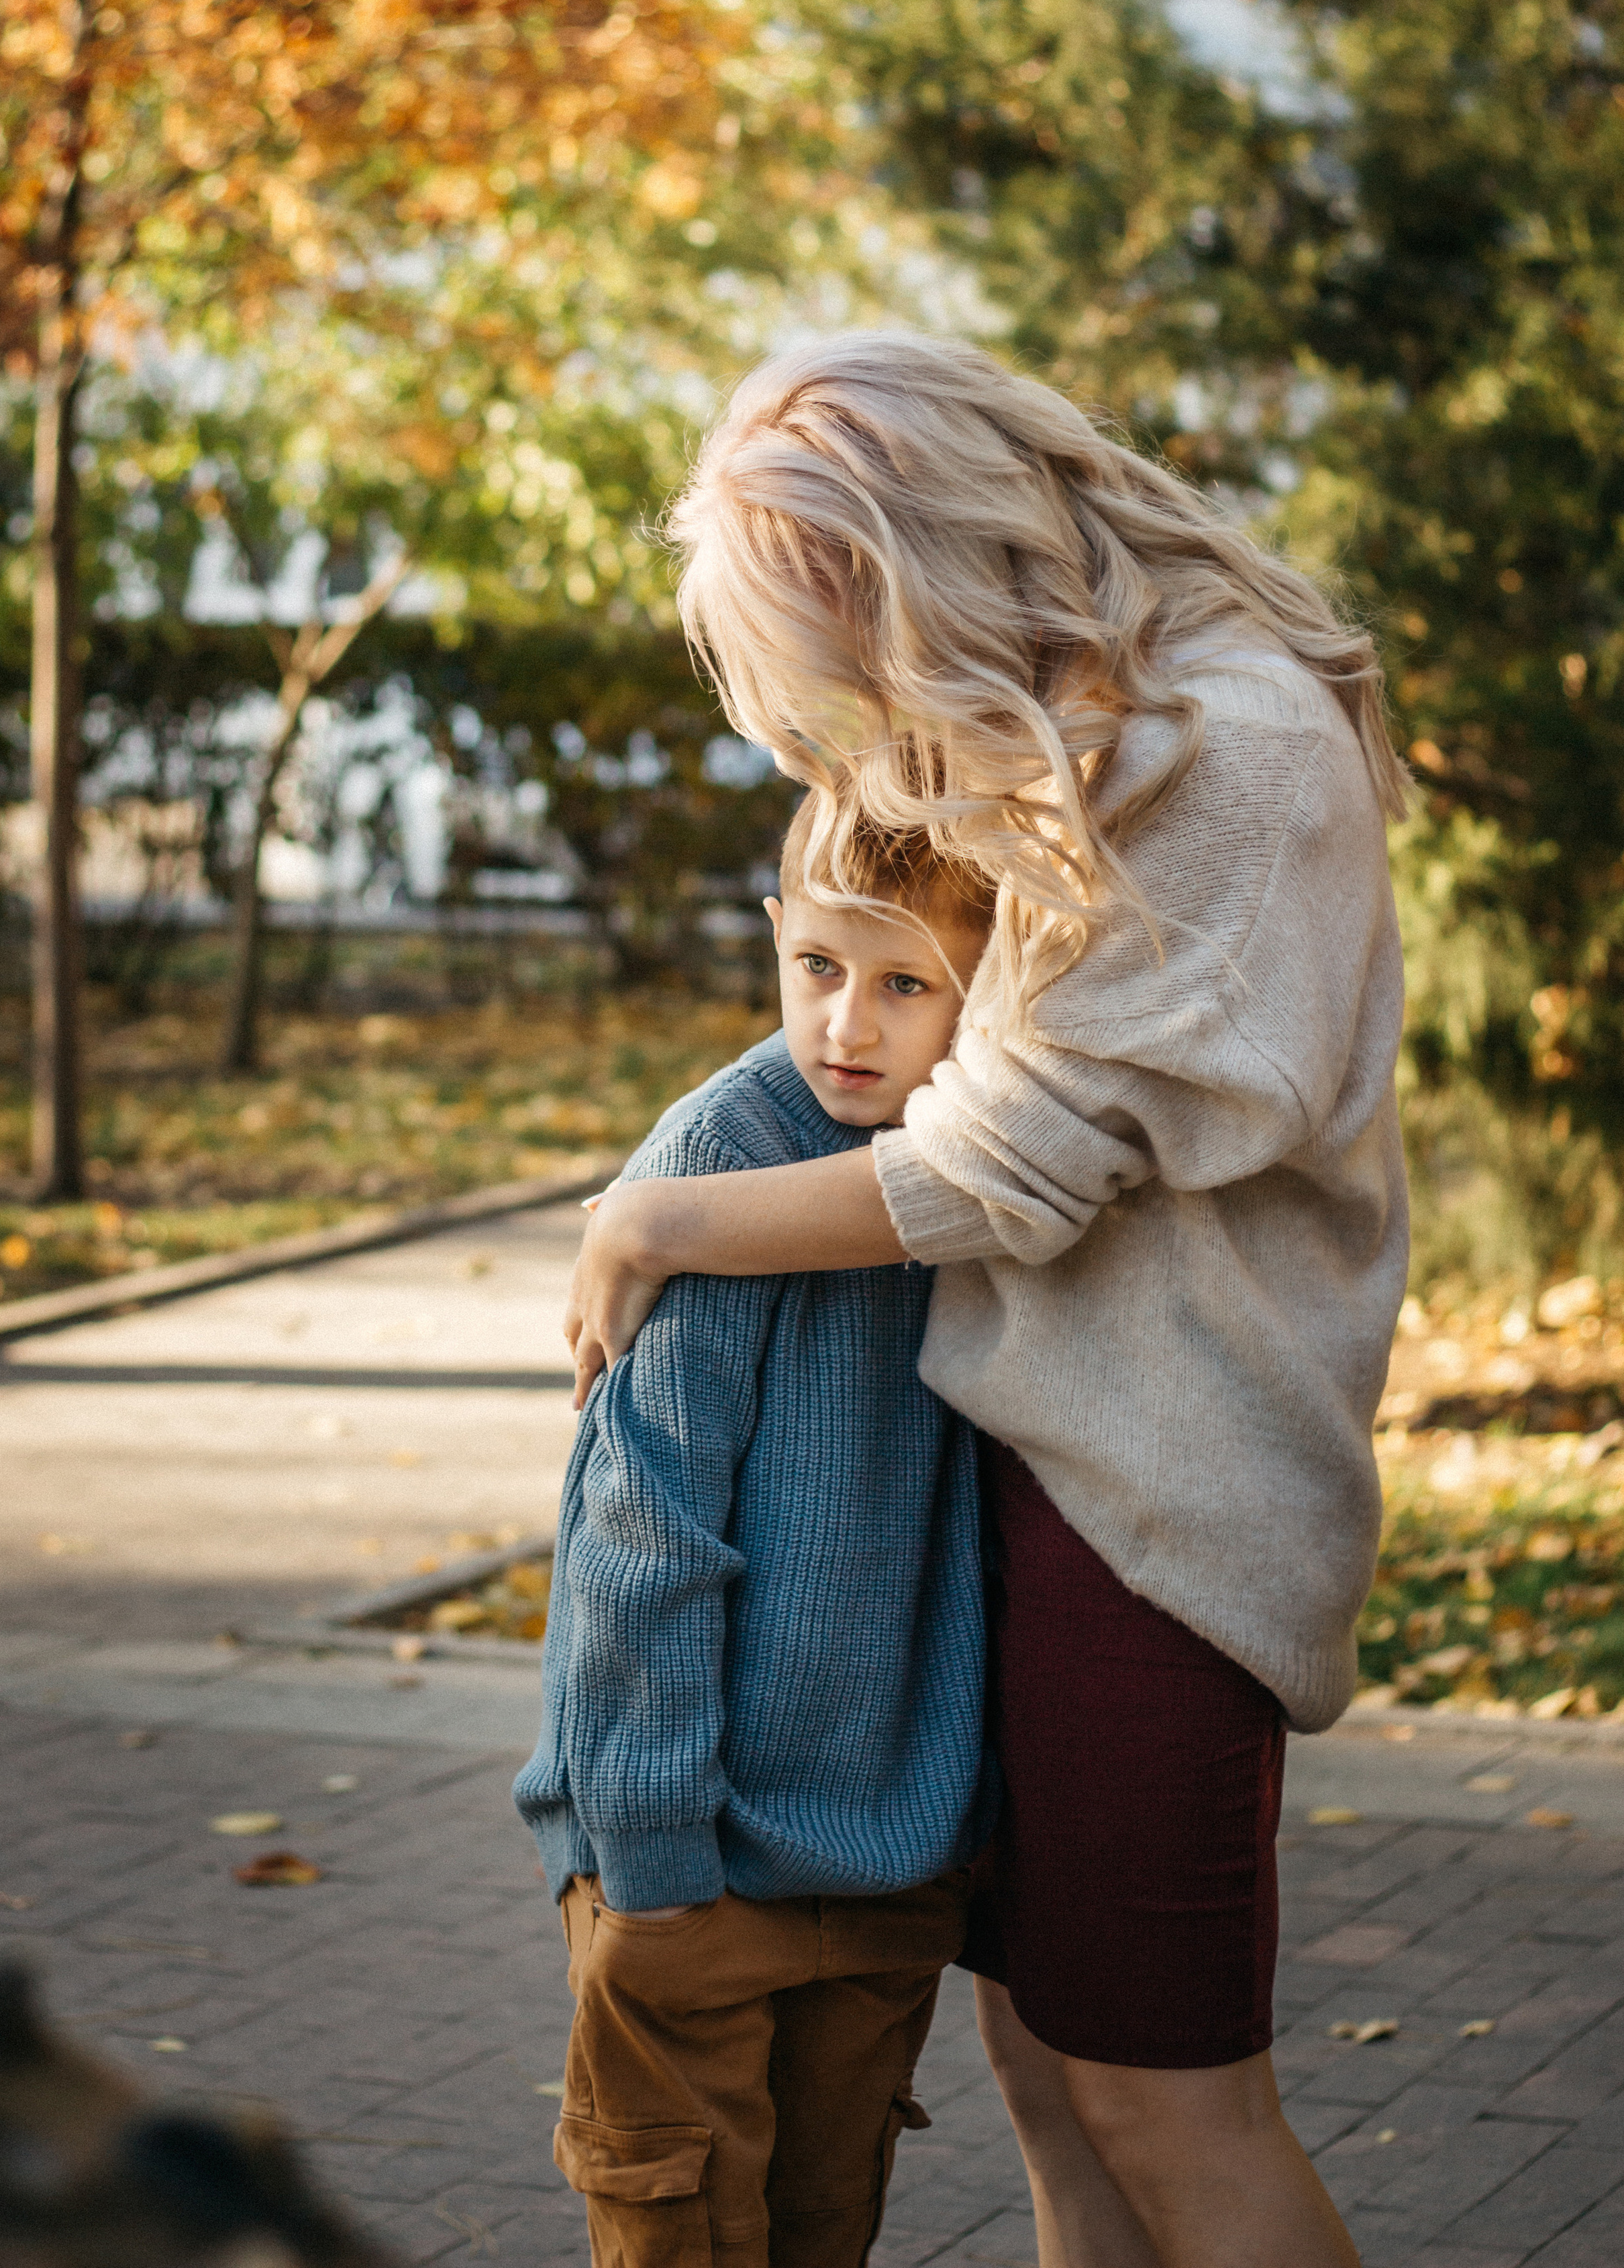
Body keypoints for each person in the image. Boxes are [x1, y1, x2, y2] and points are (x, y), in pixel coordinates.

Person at [563, 331, 1410, 2268]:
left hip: (1167, 1514)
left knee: (1170, 2104)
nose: (853, 727)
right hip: (1031, 1479)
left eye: (835, 664)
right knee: (1048, 2078)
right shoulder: (1098, 719)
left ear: (909, 564)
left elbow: (1002, 1165)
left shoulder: (1233, 745)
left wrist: (659, 1225)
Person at [515, 799, 998, 2268]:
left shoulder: (972, 1167)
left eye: (905, 984)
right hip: (690, 1871)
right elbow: (637, 1539)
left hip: (878, 1867)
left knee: (819, 2232)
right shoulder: (717, 1158)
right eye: (814, 968)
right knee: (682, 2238)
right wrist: (654, 1873)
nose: (844, 1025)